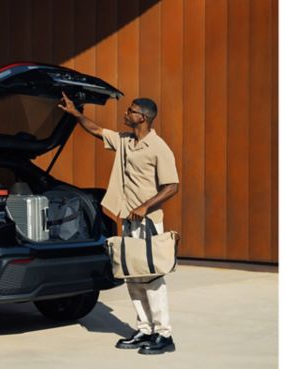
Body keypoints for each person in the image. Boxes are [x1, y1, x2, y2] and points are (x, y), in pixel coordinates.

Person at [58, 91, 179, 355]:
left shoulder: (159, 148)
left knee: (152, 279)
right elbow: (96, 130)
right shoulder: (124, 140)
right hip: (128, 220)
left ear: (143, 117)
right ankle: (145, 329)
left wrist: (145, 206)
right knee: (132, 277)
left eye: (130, 110)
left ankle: (164, 334)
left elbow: (172, 186)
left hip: (148, 223)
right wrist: (76, 114)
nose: (125, 113)